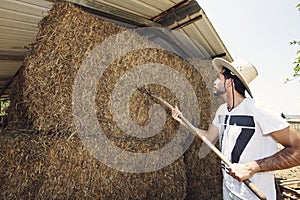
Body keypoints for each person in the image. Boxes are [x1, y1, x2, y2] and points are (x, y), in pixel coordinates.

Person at [172, 58, 300, 200]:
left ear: (229, 82)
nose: (214, 82)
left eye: (219, 78)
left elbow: (297, 150)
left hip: (253, 195)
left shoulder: (258, 109)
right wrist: (183, 121)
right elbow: (208, 137)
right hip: (229, 190)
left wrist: (251, 167)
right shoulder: (222, 111)